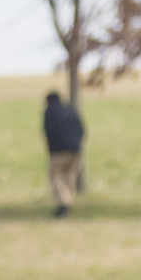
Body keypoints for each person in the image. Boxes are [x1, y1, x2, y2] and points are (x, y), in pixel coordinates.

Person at [41, 90, 84, 218]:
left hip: (58, 151)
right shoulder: (71, 110)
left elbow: (48, 131)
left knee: (56, 177)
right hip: (75, 150)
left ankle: (63, 205)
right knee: (69, 176)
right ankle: (68, 201)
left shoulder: (50, 112)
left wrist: (51, 148)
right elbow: (82, 129)